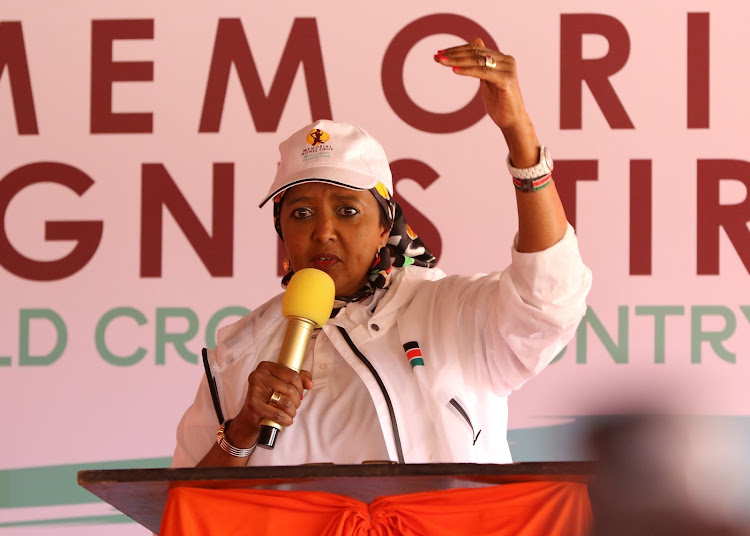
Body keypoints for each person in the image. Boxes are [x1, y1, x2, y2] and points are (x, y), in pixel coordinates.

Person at [172, 38, 592, 467]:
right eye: (300, 214)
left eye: (347, 210)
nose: (323, 232)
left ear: (383, 228)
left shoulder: (448, 312)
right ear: (282, 230)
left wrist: (520, 136)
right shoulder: (242, 351)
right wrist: (241, 429)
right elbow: (185, 513)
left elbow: (548, 303)